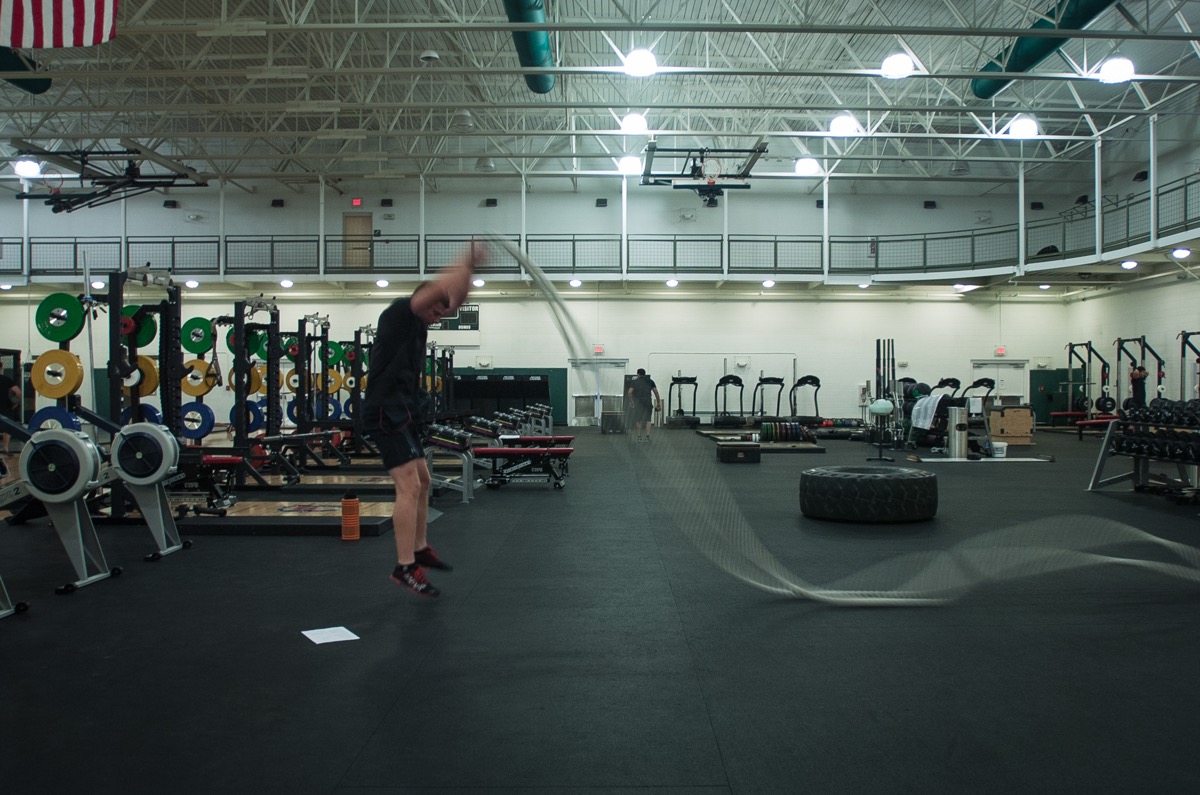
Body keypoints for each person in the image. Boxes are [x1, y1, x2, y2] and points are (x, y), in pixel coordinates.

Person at [364, 242, 487, 598]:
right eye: (435, 310)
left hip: (402, 410)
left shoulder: (420, 326)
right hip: (384, 410)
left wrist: (471, 271)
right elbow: (434, 293)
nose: (438, 317)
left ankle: (419, 548)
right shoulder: (400, 313)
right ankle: (405, 566)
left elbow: (453, 299)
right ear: (422, 301)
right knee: (409, 486)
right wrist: (464, 258)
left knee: (424, 478)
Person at [626, 368, 661, 443]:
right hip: (648, 402)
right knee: (648, 420)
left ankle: (639, 437)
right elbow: (656, 392)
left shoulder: (635, 382)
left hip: (638, 403)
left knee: (639, 420)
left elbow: (629, 392)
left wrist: (631, 401)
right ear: (644, 374)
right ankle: (647, 437)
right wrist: (658, 403)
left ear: (637, 374)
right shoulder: (650, 381)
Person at [0, 362, 21, 455]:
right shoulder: (7, 380)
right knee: (7, 427)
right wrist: (14, 404)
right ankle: (5, 447)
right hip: (5, 406)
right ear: (1, 368)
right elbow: (18, 392)